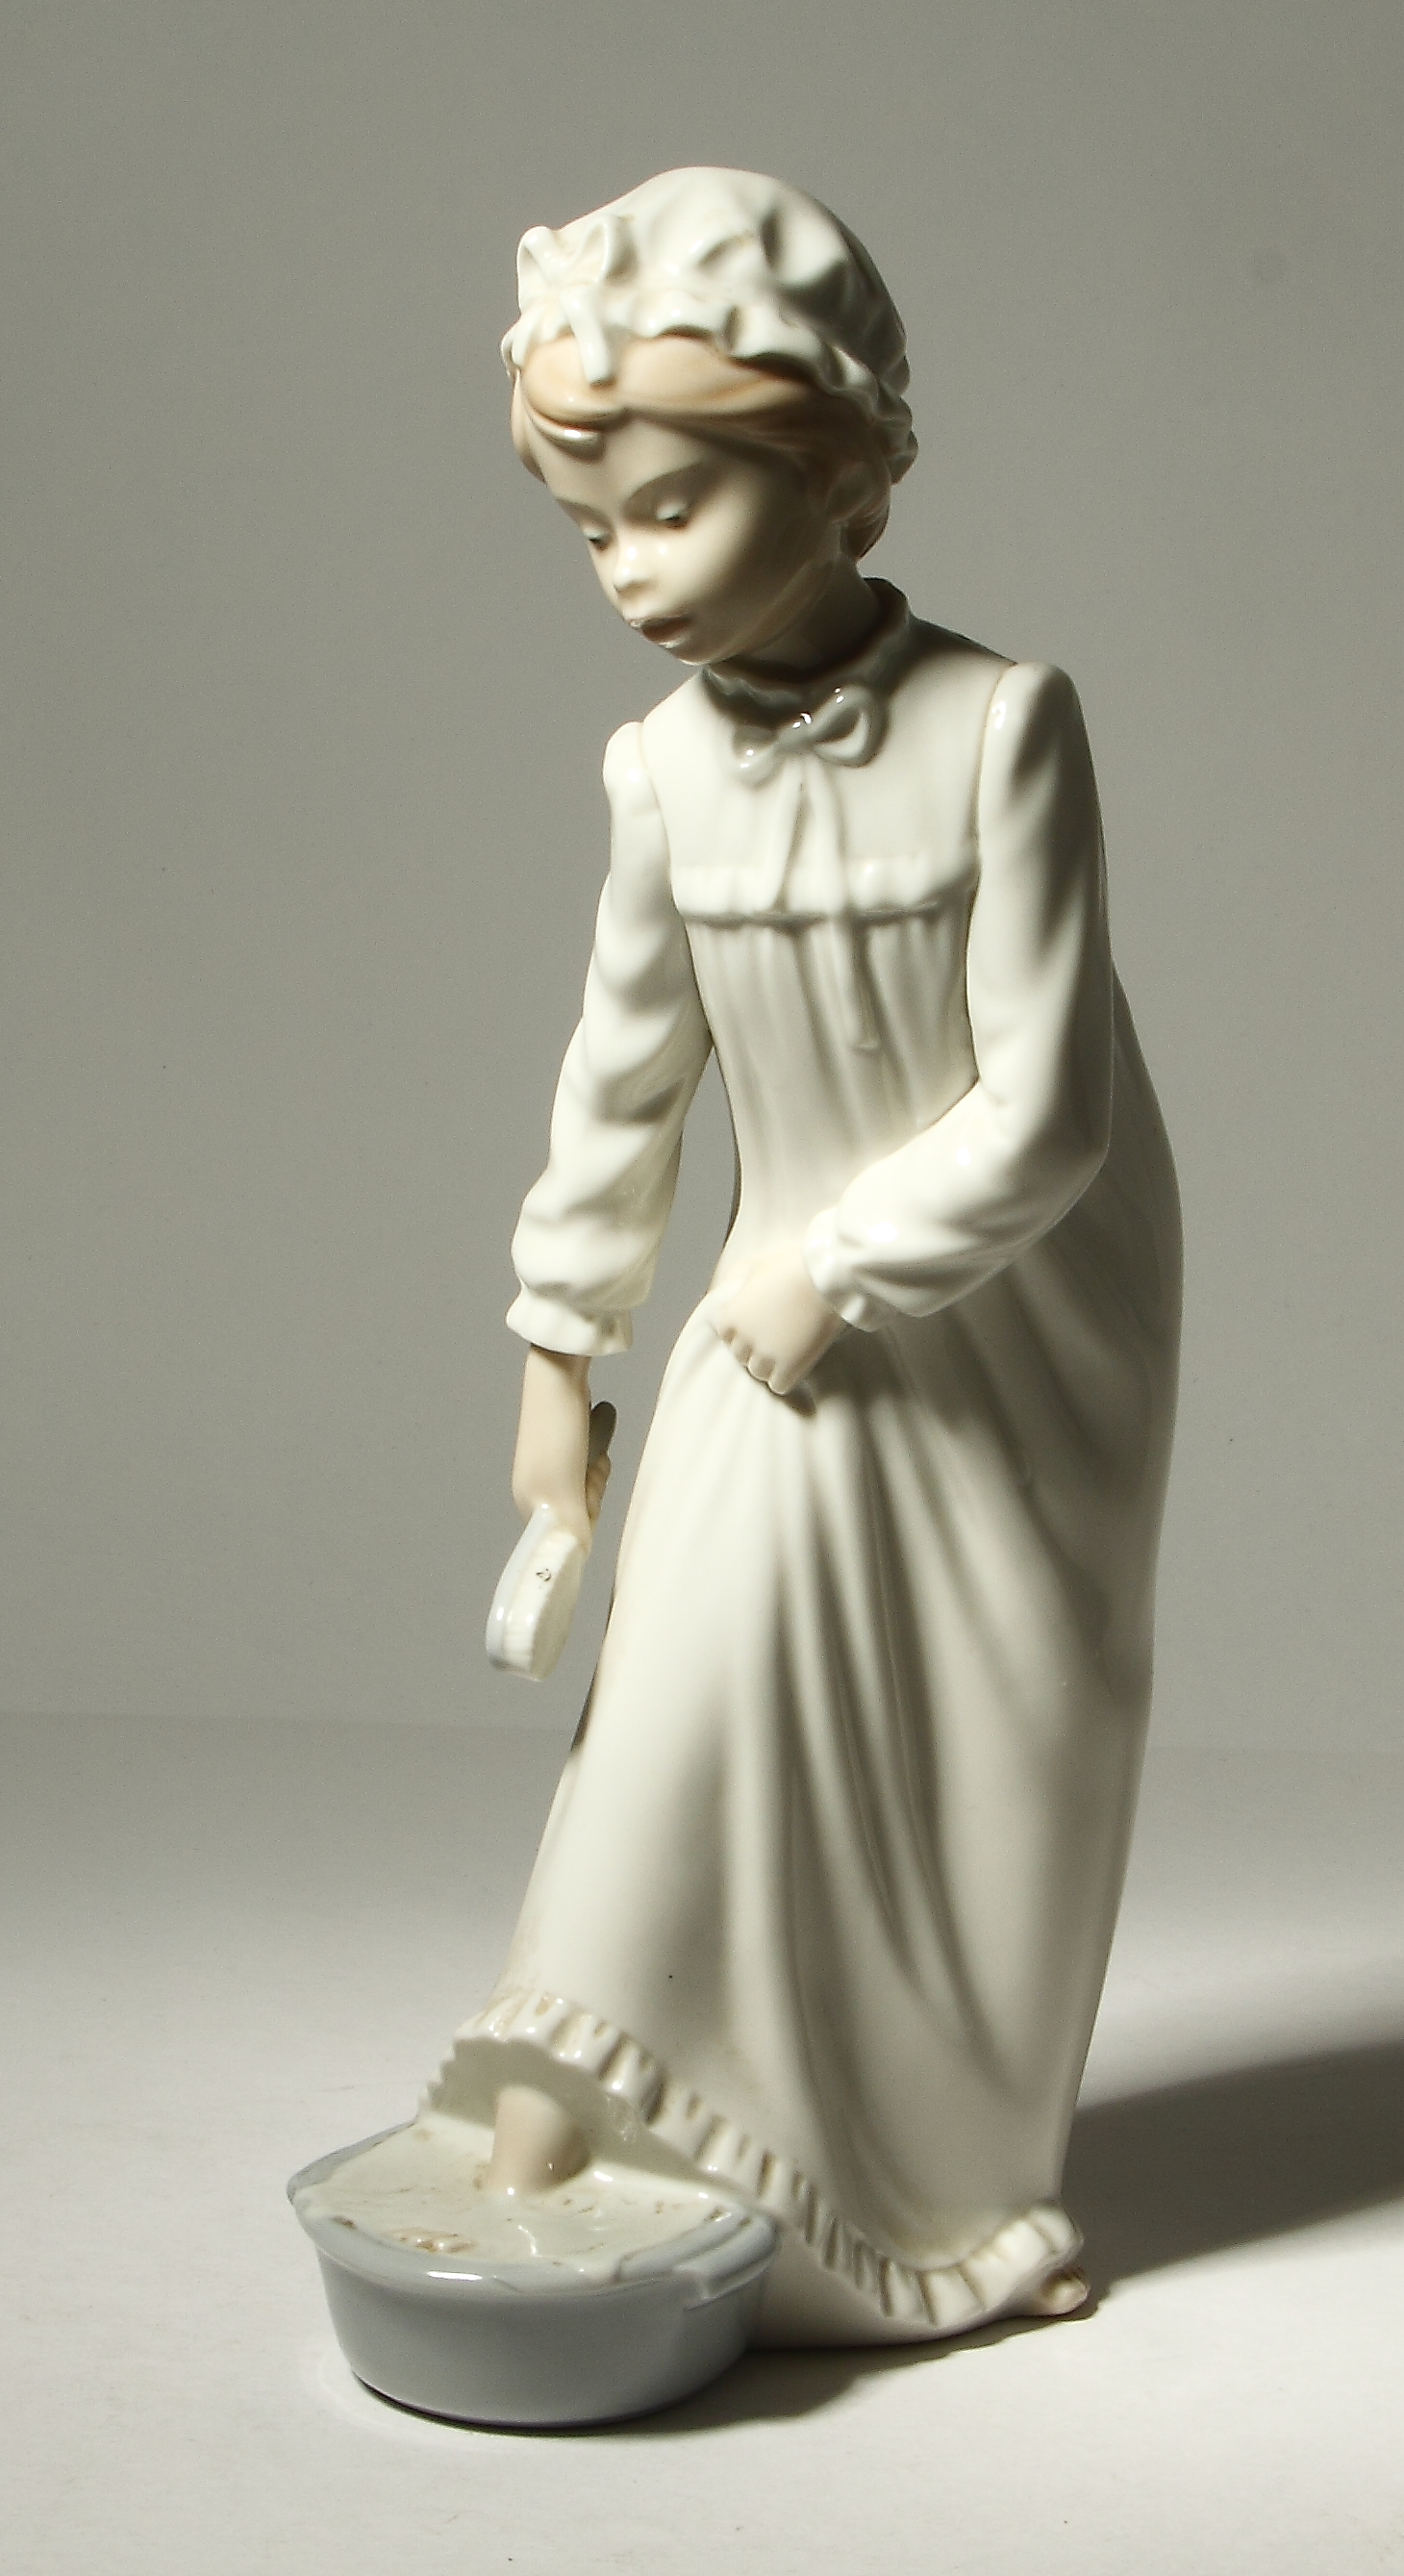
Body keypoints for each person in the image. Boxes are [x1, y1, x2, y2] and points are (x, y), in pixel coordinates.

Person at [432, 167, 1182, 2345]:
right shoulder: (659, 772)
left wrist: (841, 1267)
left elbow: (1051, 1106)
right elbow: (621, 1078)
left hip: (1012, 1308)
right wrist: (559, 1352)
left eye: (673, 507)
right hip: (773, 1322)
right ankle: (549, 2121)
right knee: (673, 1697)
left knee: (983, 1756)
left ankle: (940, 2192)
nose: (629, 571)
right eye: (592, 529)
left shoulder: (1004, 724)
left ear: (842, 473)